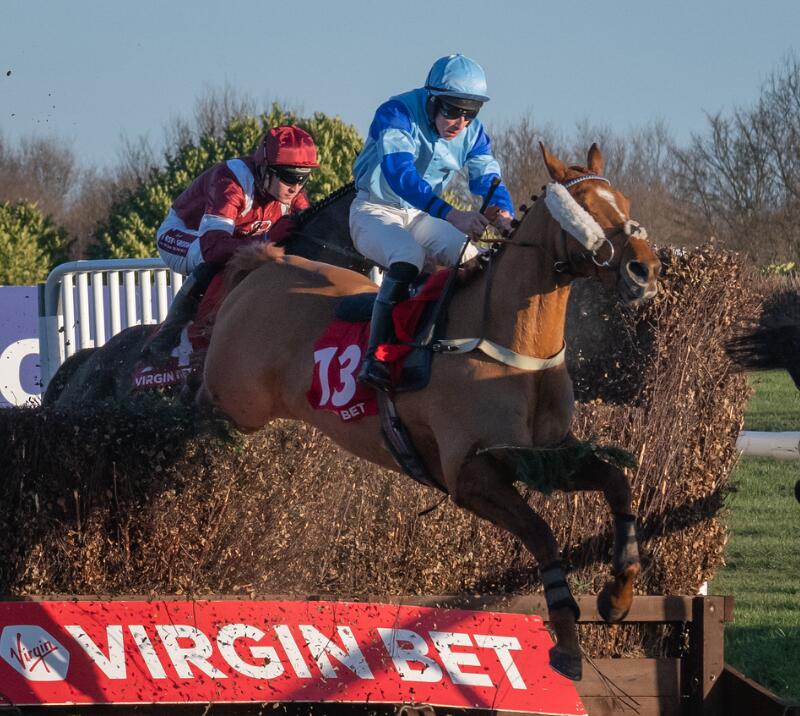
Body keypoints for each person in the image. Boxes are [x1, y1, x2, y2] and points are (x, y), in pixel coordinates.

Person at [350, 53, 515, 391]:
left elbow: (488, 179)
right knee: (408, 256)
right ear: (432, 99)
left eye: (471, 113)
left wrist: (503, 214)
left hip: (420, 216)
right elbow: (401, 176)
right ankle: (375, 359)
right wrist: (453, 215)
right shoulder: (396, 113)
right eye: (452, 110)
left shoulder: (474, 134)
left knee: (476, 260)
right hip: (374, 210)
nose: (460, 122)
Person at [144, 125, 319, 363]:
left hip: (234, 239)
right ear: (266, 169)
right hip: (185, 234)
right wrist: (267, 240)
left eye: (303, 177)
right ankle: (166, 336)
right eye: (289, 176)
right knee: (213, 263)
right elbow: (213, 248)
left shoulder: (292, 194)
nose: (296, 187)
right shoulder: (231, 182)